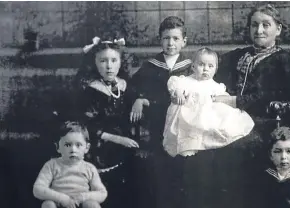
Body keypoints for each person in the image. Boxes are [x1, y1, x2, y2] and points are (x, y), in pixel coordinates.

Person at [214, 4, 290, 206]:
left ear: (278, 29)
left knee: (237, 148)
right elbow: (211, 73)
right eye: (254, 25)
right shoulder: (238, 55)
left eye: (266, 25)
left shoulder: (284, 60)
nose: (259, 30)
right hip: (229, 118)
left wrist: (236, 101)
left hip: (264, 122)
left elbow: (283, 95)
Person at [128, 16, 192, 208]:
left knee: (182, 171)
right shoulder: (150, 66)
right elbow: (135, 88)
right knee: (160, 170)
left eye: (175, 38)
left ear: (184, 41)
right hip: (157, 124)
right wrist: (139, 99)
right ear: (160, 39)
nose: (170, 43)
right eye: (166, 38)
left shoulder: (190, 66)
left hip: (184, 124)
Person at [75, 36, 145, 207]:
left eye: (114, 60)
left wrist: (140, 101)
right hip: (101, 147)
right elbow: (87, 125)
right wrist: (118, 139)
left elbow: (136, 97)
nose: (109, 66)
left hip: (124, 145)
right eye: (103, 61)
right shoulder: (91, 90)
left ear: (120, 62)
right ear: (95, 63)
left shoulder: (123, 85)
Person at [163, 47, 254, 157]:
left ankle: (206, 145)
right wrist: (179, 93)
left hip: (206, 116)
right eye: (201, 65)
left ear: (215, 70)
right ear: (193, 67)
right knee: (186, 129)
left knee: (223, 119)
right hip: (187, 115)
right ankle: (188, 147)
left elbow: (222, 98)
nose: (205, 69)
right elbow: (175, 86)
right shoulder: (186, 81)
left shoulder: (215, 86)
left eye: (210, 66)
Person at [33, 121, 107, 208]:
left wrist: (82, 197)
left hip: (80, 204)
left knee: (92, 204)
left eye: (78, 145)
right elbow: (37, 189)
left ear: (87, 148)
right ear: (58, 147)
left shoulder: (89, 168)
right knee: (48, 204)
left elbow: (102, 193)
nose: (73, 150)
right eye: (67, 145)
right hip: (58, 204)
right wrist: (62, 199)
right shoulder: (51, 165)